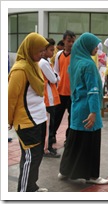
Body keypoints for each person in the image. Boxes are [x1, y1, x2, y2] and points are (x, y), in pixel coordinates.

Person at [58, 32, 108, 185]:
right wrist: (94, 112)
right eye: (94, 45)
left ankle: (65, 171)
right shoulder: (88, 64)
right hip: (88, 109)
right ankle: (93, 176)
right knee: (91, 143)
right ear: (86, 46)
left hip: (77, 108)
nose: (96, 48)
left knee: (74, 141)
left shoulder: (76, 62)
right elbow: (93, 90)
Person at [8, 32, 49, 192]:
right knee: (30, 158)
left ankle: (31, 186)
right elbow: (10, 98)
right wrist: (8, 121)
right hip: (26, 122)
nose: (42, 54)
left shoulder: (34, 66)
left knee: (36, 156)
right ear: (29, 49)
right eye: (39, 51)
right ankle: (23, 193)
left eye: (43, 51)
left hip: (39, 119)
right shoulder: (20, 70)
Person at [39, 38, 61, 158]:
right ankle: (46, 149)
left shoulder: (46, 62)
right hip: (48, 98)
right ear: (44, 50)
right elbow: (54, 78)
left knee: (50, 124)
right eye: (51, 50)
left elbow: (56, 76)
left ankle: (47, 147)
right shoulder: (43, 63)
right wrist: (56, 76)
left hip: (50, 96)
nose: (52, 52)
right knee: (48, 126)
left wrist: (56, 76)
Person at [53, 30, 76, 144]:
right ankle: (52, 136)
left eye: (73, 41)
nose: (71, 43)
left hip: (72, 93)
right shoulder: (58, 55)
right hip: (60, 92)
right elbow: (56, 70)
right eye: (69, 41)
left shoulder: (76, 55)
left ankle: (69, 139)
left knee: (71, 118)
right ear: (63, 41)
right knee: (56, 117)